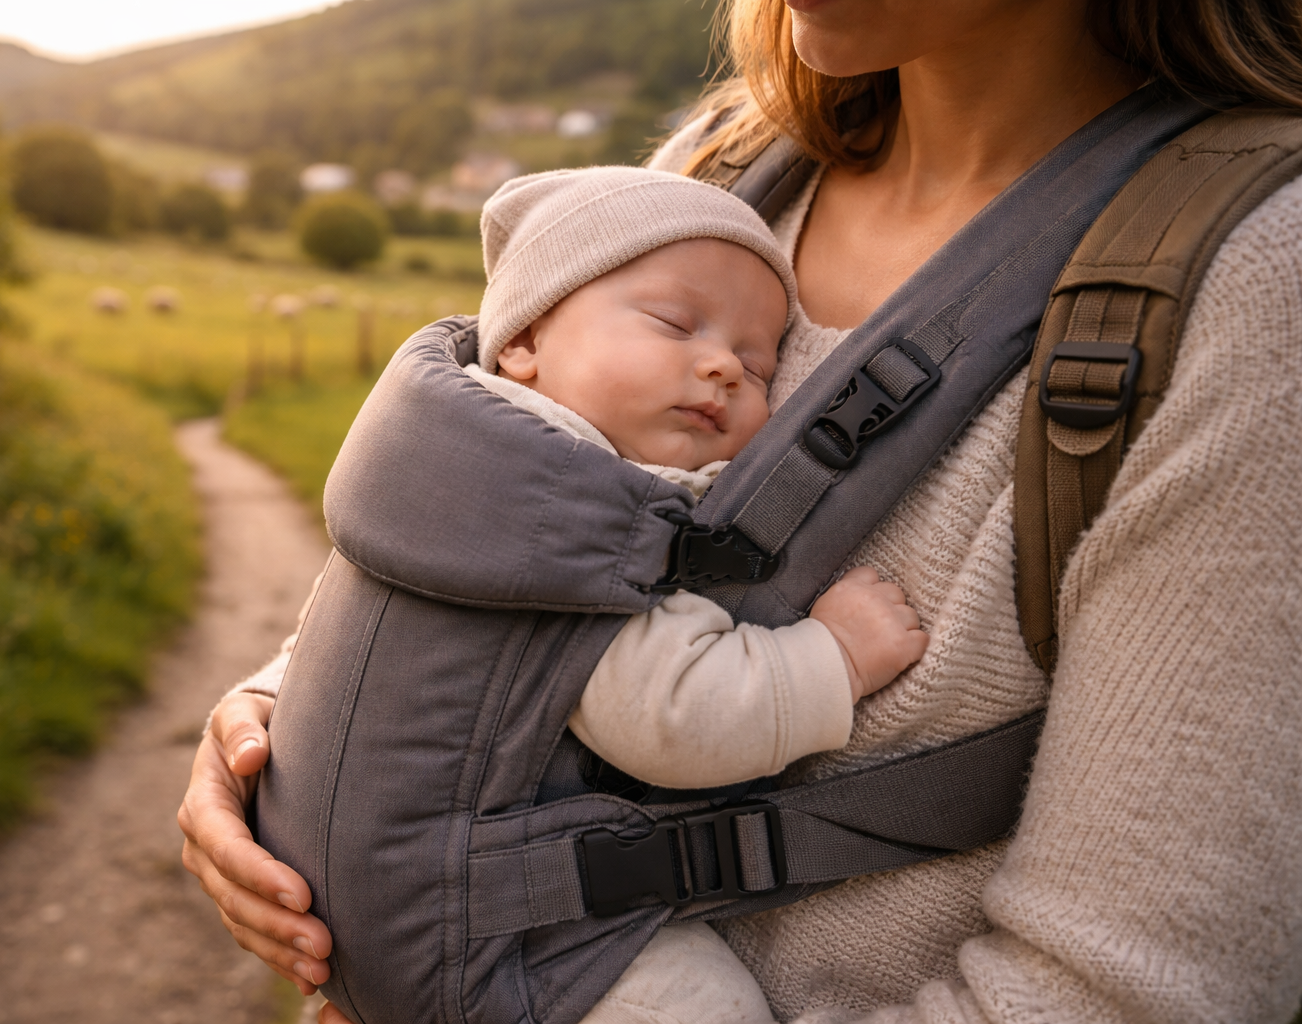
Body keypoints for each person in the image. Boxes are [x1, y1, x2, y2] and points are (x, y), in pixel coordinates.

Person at [180, 0, 1302, 1020]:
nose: (721, 373)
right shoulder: (720, 173)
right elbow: (490, 506)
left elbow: (1130, 992)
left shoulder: (1256, 281)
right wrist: (293, 720)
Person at [244, 164, 933, 1022]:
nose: (722, 365)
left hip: (371, 914)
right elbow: (669, 716)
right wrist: (833, 658)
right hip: (481, 941)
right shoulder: (559, 518)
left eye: (760, 368)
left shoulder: (446, 465)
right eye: (674, 324)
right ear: (525, 342)